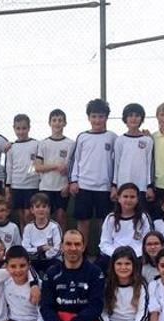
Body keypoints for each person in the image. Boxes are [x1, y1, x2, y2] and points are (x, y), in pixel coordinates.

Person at [69, 99, 117, 247]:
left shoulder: (113, 137)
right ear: (89, 117)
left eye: (101, 116)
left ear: (106, 118)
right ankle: (81, 252)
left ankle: (104, 252)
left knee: (105, 222)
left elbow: (117, 163)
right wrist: (73, 181)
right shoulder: (82, 137)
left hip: (104, 188)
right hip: (84, 186)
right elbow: (75, 161)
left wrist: (114, 185)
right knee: (83, 221)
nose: (97, 120)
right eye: (94, 116)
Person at [97, 183, 154, 272]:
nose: (128, 200)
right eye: (125, 196)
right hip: (114, 256)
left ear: (137, 199)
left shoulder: (143, 217)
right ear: (119, 198)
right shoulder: (111, 218)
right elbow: (104, 243)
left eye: (132, 197)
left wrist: (132, 255)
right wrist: (117, 254)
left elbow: (148, 241)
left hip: (137, 257)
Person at [34, 109, 75, 229]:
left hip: (62, 187)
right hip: (46, 186)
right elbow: (37, 167)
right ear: (49, 123)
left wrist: (68, 184)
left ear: (65, 123)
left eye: (60, 120)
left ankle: (61, 245)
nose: (57, 123)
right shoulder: (43, 143)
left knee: (61, 216)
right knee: (45, 217)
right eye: (54, 120)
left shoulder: (71, 144)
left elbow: (73, 168)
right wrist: (56, 166)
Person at [113, 103, 154, 205]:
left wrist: (149, 186)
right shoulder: (120, 140)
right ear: (125, 119)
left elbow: (150, 165)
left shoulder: (148, 140)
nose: (134, 118)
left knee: (140, 217)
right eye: (130, 115)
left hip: (141, 187)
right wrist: (114, 186)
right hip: (123, 186)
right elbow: (116, 164)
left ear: (142, 118)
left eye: (137, 116)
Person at [5, 114, 40, 228]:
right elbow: (9, 167)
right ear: (14, 128)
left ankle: (32, 241)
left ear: (29, 128)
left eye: (24, 128)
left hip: (32, 185)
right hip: (17, 186)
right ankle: (24, 243)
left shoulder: (36, 144)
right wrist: (7, 186)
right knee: (21, 217)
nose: (21, 131)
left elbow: (38, 164)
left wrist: (34, 175)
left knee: (29, 215)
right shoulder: (11, 147)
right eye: (18, 128)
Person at [21, 193, 63, 274]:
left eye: (44, 206)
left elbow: (57, 250)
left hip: (51, 260)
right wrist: (41, 249)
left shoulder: (54, 227)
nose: (41, 209)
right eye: (37, 207)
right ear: (32, 210)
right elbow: (25, 249)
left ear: (49, 209)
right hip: (33, 260)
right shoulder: (28, 228)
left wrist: (44, 255)